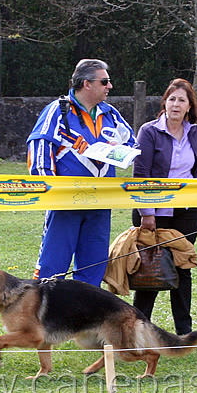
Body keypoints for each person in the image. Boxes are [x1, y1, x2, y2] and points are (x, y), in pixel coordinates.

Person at [27, 59, 135, 287]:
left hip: (101, 203)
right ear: (86, 83)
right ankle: (43, 317)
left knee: (93, 268)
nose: (110, 86)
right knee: (52, 268)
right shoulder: (58, 111)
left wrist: (120, 149)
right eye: (104, 81)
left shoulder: (111, 114)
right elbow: (39, 151)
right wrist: (51, 191)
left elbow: (133, 144)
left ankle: (86, 320)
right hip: (66, 203)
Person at [131, 78, 197, 335]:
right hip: (152, 213)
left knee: (183, 269)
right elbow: (140, 174)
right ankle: (139, 330)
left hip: (186, 213)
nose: (176, 104)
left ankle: (184, 331)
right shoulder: (149, 131)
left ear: (189, 106)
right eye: (172, 99)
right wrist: (147, 214)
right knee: (149, 271)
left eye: (181, 100)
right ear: (164, 102)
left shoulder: (194, 132)